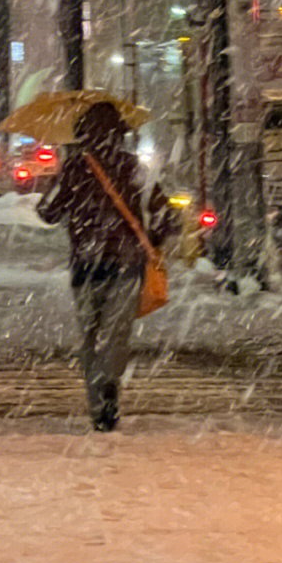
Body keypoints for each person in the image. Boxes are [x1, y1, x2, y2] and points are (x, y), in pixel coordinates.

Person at [37, 102, 176, 432]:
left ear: (83, 134)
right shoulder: (133, 168)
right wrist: (150, 240)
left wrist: (57, 187)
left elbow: (47, 212)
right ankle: (110, 385)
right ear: (119, 134)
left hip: (86, 266)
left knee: (90, 337)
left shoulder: (74, 169)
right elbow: (165, 215)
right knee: (116, 335)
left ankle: (98, 403)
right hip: (127, 265)